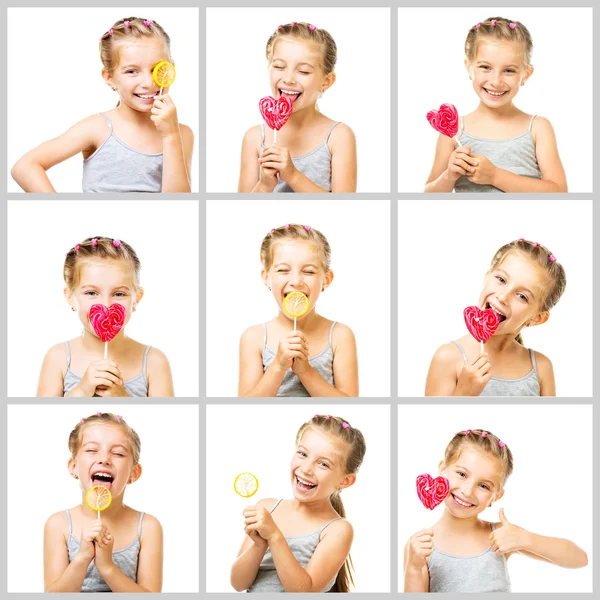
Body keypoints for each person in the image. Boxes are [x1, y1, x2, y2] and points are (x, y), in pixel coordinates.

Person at [11, 17, 193, 192]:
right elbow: (25, 167)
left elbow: (177, 205)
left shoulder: (182, 134)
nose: (148, 82)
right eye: (132, 71)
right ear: (109, 78)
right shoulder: (98, 128)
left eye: (156, 69)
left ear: (171, 70)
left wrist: (170, 136)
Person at [404, 428, 587, 592]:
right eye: (461, 474)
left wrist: (525, 539)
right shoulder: (421, 547)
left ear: (495, 497)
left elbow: (580, 559)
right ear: (443, 469)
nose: (467, 491)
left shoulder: (501, 535)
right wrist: (413, 567)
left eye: (483, 486)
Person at [425, 17, 567, 193]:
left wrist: (495, 176)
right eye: (485, 67)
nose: (496, 81)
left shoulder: (538, 128)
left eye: (509, 70)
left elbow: (559, 192)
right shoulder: (453, 132)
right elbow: (428, 196)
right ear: (469, 67)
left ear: (526, 74)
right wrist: (448, 176)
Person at [231, 414, 366, 592]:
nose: (306, 469)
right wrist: (259, 544)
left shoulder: (338, 529)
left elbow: (303, 591)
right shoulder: (266, 508)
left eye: (323, 464)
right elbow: (238, 584)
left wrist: (274, 536)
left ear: (345, 481)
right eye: (302, 454)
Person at [37, 237, 174, 397]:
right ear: (70, 297)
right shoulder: (58, 358)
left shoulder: (154, 361)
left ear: (136, 299)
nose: (106, 306)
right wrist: (82, 390)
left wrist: (121, 396)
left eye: (119, 294)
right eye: (91, 293)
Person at [426, 239, 565, 396]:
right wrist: (464, 393)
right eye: (501, 280)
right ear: (487, 276)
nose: (503, 297)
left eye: (521, 296)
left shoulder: (541, 368)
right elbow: (436, 420)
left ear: (537, 318)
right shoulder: (448, 357)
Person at [44, 412, 163, 592]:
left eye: (118, 453)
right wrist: (83, 557)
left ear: (134, 473)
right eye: (92, 450)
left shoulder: (147, 527)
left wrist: (107, 567)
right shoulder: (58, 524)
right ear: (73, 467)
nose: (104, 459)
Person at [239, 224, 358, 397]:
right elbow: (246, 407)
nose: (296, 281)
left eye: (309, 271)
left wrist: (305, 371)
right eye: (283, 270)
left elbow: (349, 404)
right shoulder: (254, 338)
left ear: (326, 279)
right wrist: (279, 365)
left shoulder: (340, 335)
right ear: (266, 278)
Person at [239, 22, 356, 192]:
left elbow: (344, 207)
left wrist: (293, 175)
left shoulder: (338, 136)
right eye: (279, 66)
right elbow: (243, 208)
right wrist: (265, 184)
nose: (288, 79)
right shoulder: (255, 138)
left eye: (303, 71)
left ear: (326, 81)